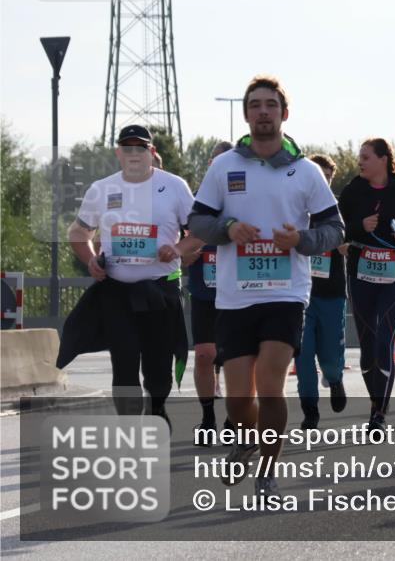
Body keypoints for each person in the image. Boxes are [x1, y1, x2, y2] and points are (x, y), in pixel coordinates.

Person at [188, 75, 345, 498]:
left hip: (285, 292)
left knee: (270, 379)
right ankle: (245, 440)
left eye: (270, 105)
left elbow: (334, 229)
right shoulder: (224, 167)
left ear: (284, 114)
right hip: (235, 295)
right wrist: (228, 227)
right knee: (240, 394)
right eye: (255, 105)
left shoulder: (306, 171)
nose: (262, 112)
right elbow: (197, 221)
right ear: (246, 114)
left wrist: (302, 240)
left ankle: (269, 468)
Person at [67, 124, 202, 426]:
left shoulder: (174, 186)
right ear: (118, 154)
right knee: (124, 362)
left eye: (140, 148)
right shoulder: (101, 189)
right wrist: (90, 260)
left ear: (152, 153)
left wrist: (178, 249)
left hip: (160, 288)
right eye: (127, 148)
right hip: (117, 290)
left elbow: (200, 232)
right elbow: (78, 231)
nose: (134, 154)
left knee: (158, 363)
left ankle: (156, 406)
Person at [338, 138, 395, 431]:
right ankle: (376, 402)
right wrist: (358, 227)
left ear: (383, 160)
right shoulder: (353, 191)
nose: (360, 162)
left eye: (365, 157)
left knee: (383, 339)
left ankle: (379, 414)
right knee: (366, 344)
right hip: (361, 271)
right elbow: (336, 228)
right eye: (359, 157)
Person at [295, 153, 349, 429]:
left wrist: (346, 246)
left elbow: (350, 238)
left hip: (331, 292)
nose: (323, 180)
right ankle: (310, 410)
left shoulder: (338, 210)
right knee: (303, 356)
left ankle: (335, 378)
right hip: (302, 294)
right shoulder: (297, 205)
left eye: (327, 176)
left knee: (328, 357)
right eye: (319, 175)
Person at [186, 140, 233, 442]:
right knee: (205, 356)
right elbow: (183, 253)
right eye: (215, 162)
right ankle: (207, 418)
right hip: (204, 292)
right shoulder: (196, 203)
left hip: (238, 293)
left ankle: (234, 419)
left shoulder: (244, 201)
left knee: (235, 359)